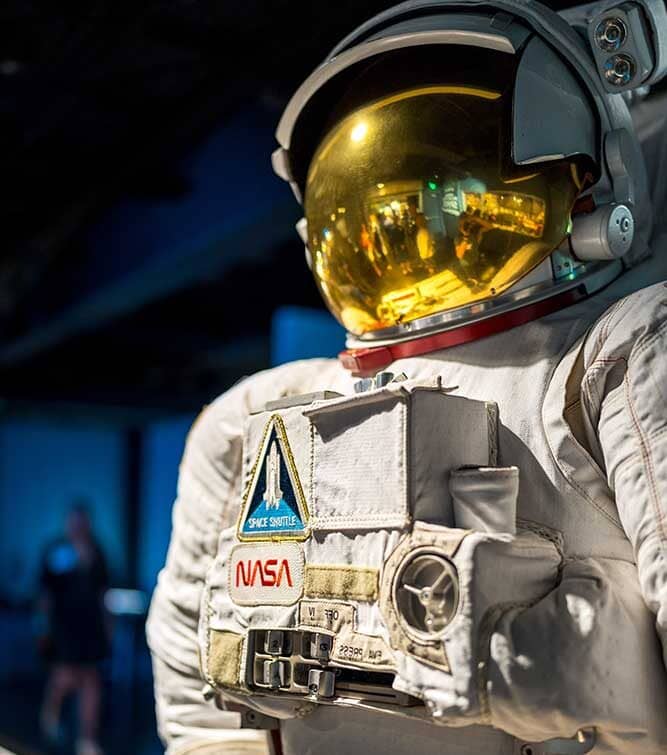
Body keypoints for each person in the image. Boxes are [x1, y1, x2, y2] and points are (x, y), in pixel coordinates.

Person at [147, 1, 667, 753]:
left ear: (581, 185)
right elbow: (202, 706)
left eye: (453, 189)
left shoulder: (618, 360)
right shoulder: (252, 421)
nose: (428, 233)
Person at [39, 503, 109, 755]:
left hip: (90, 628)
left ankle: (87, 738)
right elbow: (46, 594)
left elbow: (103, 594)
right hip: (63, 628)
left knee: (91, 680)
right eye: (74, 521)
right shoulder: (55, 550)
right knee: (63, 677)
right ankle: (50, 719)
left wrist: (107, 629)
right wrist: (43, 628)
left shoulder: (97, 551)